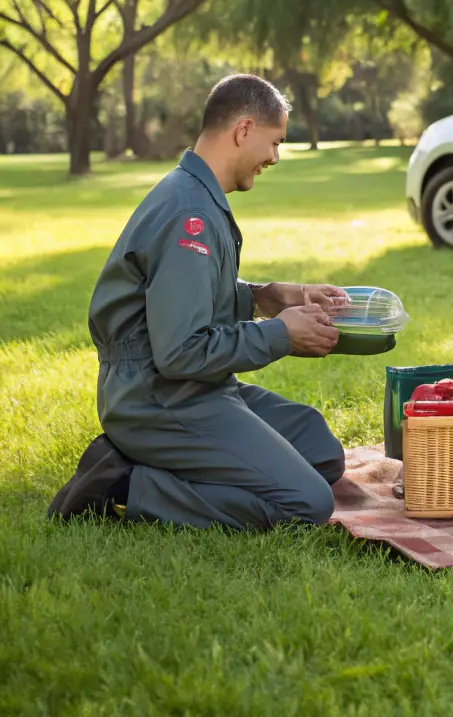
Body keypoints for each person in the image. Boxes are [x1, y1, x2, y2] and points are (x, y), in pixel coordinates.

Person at [48, 74, 349, 531]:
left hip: (196, 388)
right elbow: (180, 351)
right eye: (274, 142)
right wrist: (281, 335)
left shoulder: (196, 194)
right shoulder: (189, 215)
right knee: (307, 502)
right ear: (244, 130)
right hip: (157, 399)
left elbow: (182, 298)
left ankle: (182, 465)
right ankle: (123, 485)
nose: (275, 157)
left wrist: (264, 296)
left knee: (320, 451)